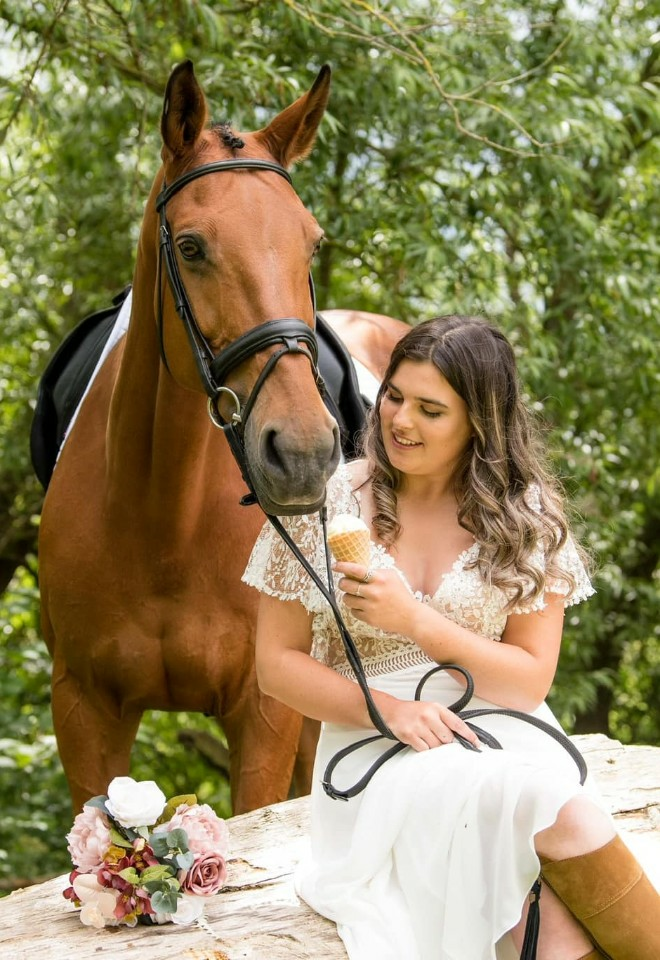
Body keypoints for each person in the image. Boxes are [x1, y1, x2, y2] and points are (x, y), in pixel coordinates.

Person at [242, 315, 660, 960]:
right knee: (553, 809)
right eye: (395, 397)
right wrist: (388, 712)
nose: (400, 421)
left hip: (504, 731)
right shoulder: (326, 504)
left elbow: (527, 682)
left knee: (549, 901)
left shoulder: (530, 523)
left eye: (431, 410)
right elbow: (276, 664)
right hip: (376, 752)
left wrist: (415, 622)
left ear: (480, 423)